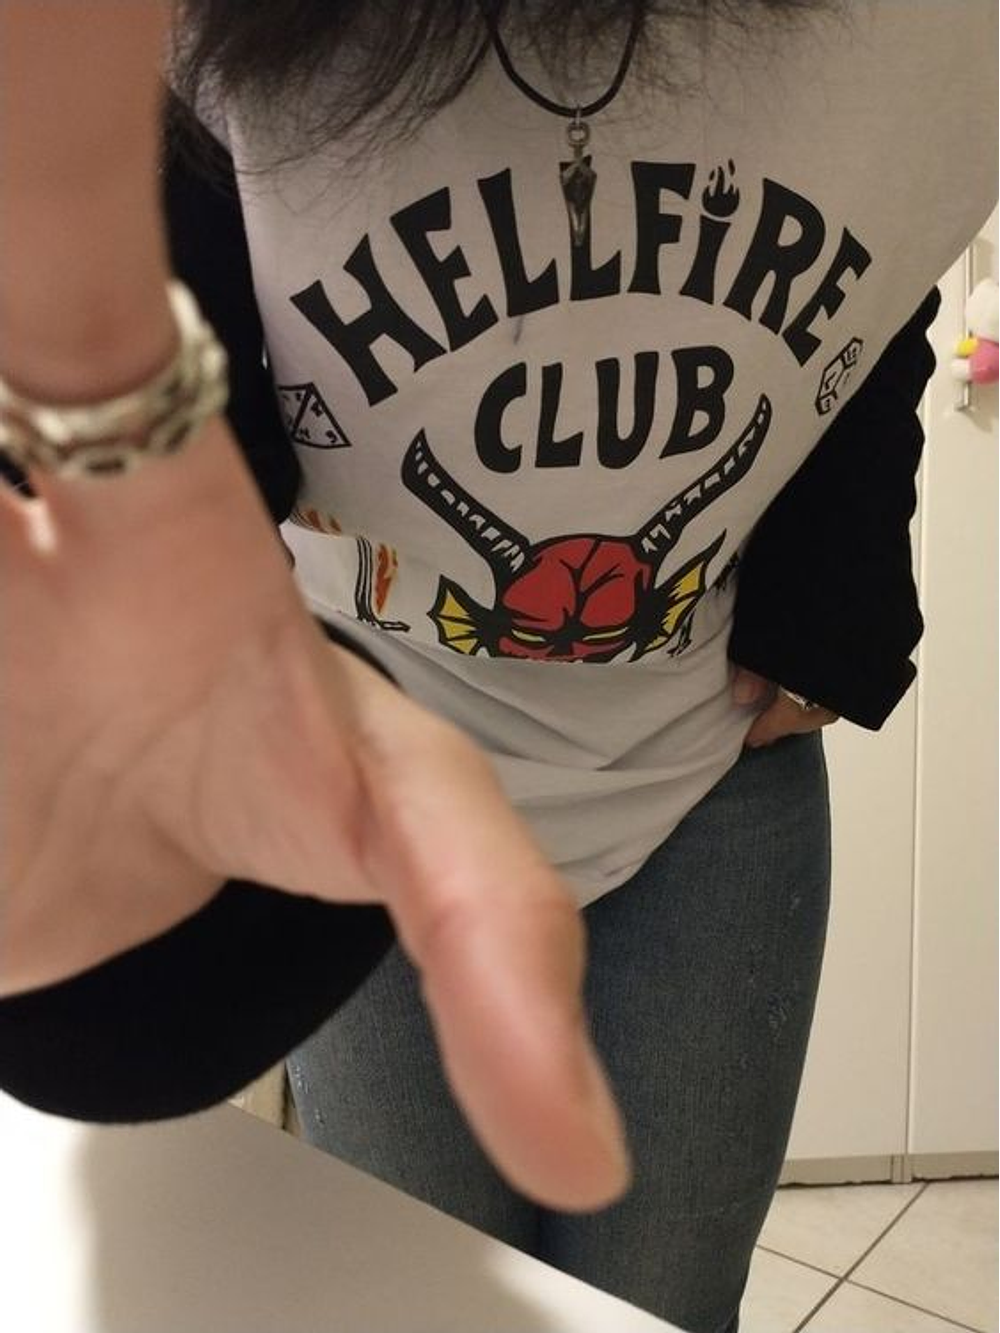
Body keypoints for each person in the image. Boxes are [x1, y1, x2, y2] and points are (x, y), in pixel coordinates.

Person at [0, 3, 996, 1331]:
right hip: (343, 752)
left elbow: (883, 292)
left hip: (713, 759)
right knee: (412, 1303)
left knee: (669, 1305)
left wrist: (837, 602)